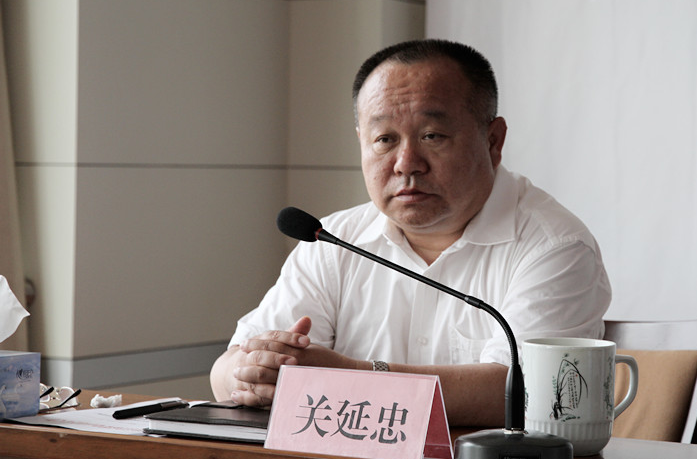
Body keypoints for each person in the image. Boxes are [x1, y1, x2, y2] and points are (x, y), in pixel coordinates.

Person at [210, 39, 611, 427]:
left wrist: (349, 378)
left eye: (431, 136)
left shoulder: (557, 247)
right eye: (384, 139)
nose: (406, 163)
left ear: (493, 140)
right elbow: (227, 369)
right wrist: (252, 373)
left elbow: (525, 392)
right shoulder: (330, 240)